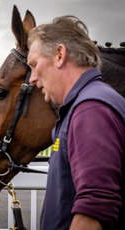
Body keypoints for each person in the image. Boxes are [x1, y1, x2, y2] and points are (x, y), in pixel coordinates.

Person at [27, 15, 125, 230]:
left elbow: (95, 210)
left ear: (60, 55)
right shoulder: (83, 106)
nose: (32, 78)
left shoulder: (91, 110)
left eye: (34, 65)